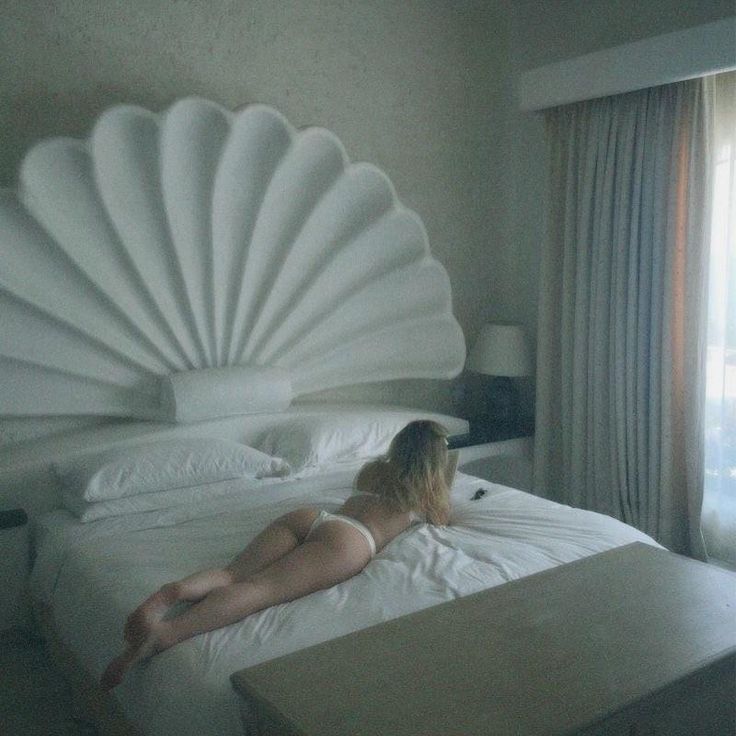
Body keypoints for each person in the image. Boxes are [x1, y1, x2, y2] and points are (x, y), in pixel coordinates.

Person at [101, 420, 454, 690]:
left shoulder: (374, 472)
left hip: (315, 517)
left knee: (233, 574)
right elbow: (442, 517)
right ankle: (168, 634)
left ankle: (172, 592)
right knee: (260, 590)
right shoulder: (426, 495)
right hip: (351, 541)